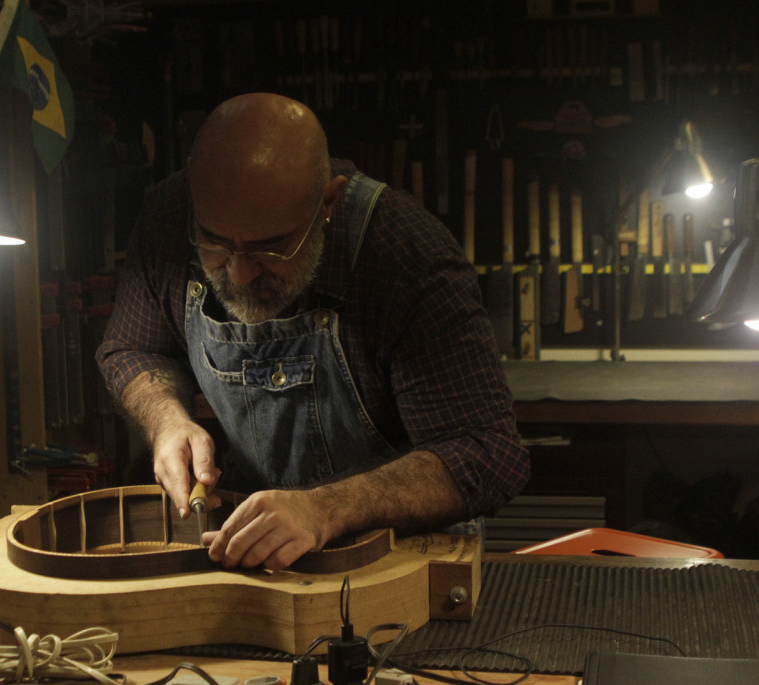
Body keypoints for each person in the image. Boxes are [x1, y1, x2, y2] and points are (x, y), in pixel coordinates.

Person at [96, 92, 528, 570]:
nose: (239, 274)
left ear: (328, 202)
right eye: (216, 244)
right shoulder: (168, 218)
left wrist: (324, 508)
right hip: (251, 557)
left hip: (396, 564)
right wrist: (167, 420)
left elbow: (486, 454)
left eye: (270, 249)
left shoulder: (406, 256)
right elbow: (133, 349)